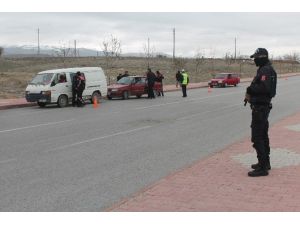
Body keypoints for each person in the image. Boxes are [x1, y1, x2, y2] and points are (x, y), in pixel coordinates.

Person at [245, 48, 277, 177]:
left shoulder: (265, 70)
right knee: (263, 135)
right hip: (262, 107)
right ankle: (264, 163)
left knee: (257, 137)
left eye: (256, 58)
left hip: (260, 108)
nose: (255, 60)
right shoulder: (266, 68)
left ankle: (263, 168)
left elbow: (264, 87)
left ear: (262, 57)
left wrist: (250, 89)